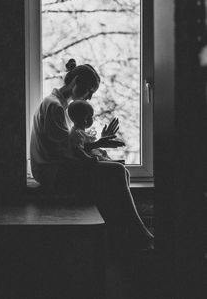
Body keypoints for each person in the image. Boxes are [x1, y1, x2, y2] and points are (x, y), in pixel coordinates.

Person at [30, 58, 153, 250]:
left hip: (55, 167)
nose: (88, 98)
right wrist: (96, 149)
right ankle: (137, 230)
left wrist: (98, 144)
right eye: (89, 91)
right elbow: (65, 152)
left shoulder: (59, 105)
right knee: (118, 171)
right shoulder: (55, 106)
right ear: (77, 81)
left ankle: (130, 232)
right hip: (53, 172)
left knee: (121, 171)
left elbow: (68, 147)